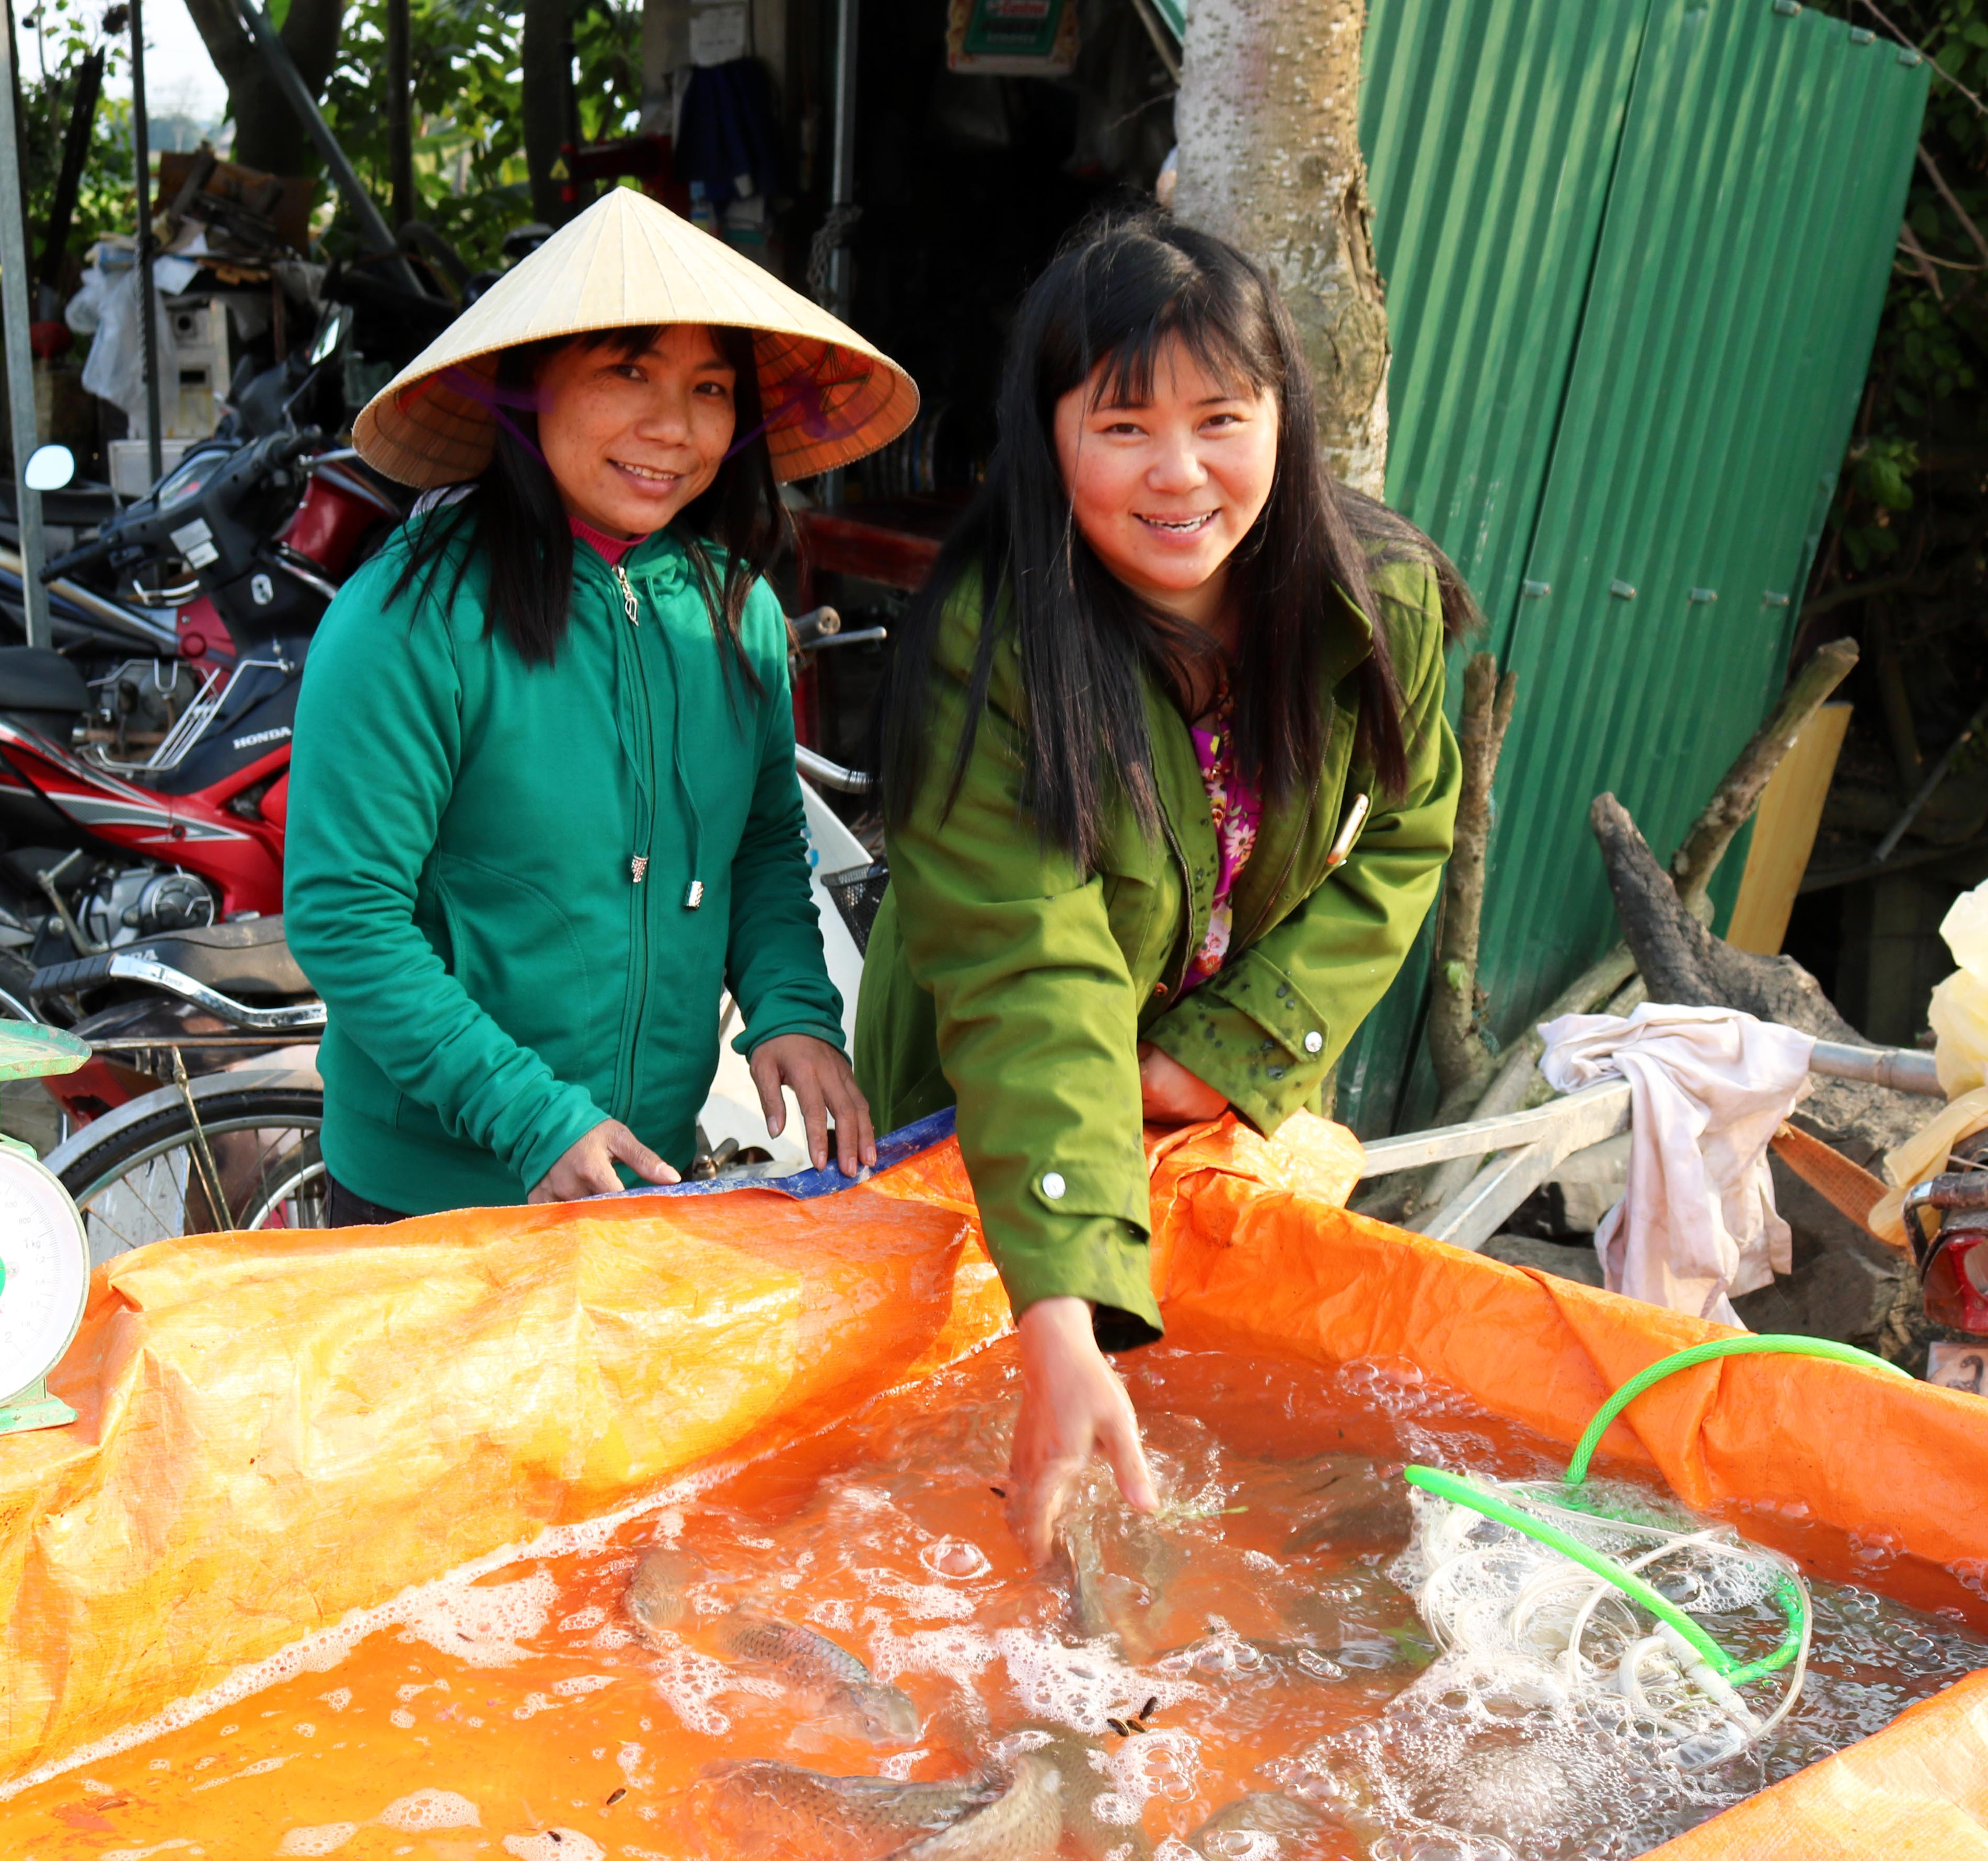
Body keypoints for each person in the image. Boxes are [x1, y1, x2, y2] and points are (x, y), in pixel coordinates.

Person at [856, 210, 1480, 1561]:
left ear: (1283, 418)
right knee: (957, 1457)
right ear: (1049, 433)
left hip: (1214, 1084)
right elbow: (1034, 972)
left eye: (1220, 417)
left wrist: (1231, 1049)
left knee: (1211, 1462)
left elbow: (1405, 833)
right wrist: (1065, 1307)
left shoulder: (1380, 601)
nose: (1178, 473)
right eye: (1123, 424)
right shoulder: (992, 634)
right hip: (989, 1095)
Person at [287, 187, 917, 1221]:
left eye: (710, 388)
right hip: (430, 1197)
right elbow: (345, 916)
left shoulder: (736, 611)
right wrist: (529, 1113)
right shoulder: (408, 617)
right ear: (530, 388)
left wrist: (794, 1011)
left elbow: (761, 846)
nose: (673, 428)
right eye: (628, 370)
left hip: (639, 1172)